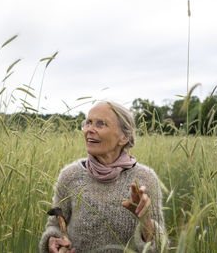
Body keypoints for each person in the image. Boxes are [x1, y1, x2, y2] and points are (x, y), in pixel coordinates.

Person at [40, 101, 167, 253]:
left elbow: (160, 247)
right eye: (88, 123)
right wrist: (52, 241)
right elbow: (55, 225)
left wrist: (146, 221)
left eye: (100, 124)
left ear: (124, 137)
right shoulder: (69, 176)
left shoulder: (145, 178)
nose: (89, 130)